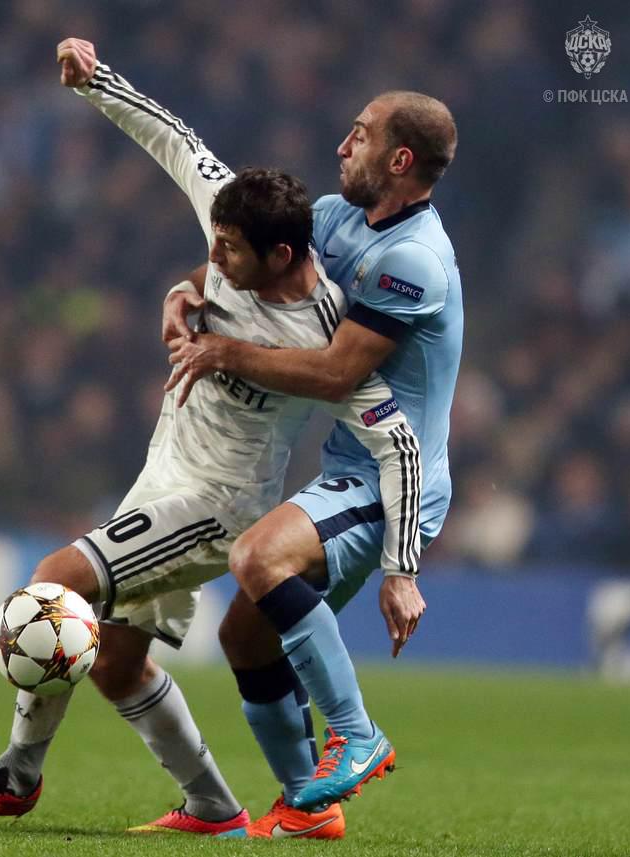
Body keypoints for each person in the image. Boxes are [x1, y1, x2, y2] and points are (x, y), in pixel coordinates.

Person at [0, 39, 425, 841]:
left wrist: (402, 567)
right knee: (116, 664)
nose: (212, 261)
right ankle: (215, 808)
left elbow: (399, 441)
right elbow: (171, 135)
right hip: (163, 478)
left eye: (229, 252)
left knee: (53, 584)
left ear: (281, 255)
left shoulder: (324, 332)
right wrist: (92, 78)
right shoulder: (231, 212)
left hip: (218, 505)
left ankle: (15, 774)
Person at [154, 47, 462, 830]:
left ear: (399, 159)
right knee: (244, 635)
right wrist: (187, 290)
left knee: (257, 556)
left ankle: (357, 735)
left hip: (394, 479)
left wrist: (222, 351)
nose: (341, 145)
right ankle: (308, 806)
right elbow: (245, 264)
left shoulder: (413, 261)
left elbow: (334, 373)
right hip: (348, 467)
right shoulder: (331, 215)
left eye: (359, 135)